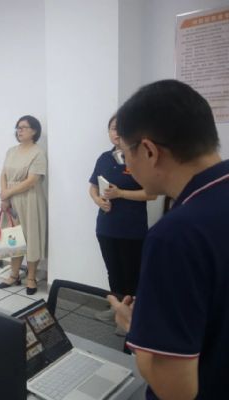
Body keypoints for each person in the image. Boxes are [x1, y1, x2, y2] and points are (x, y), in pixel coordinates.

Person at [108, 80, 229, 399]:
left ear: (149, 150)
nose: (127, 165)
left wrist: (136, 328)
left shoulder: (176, 235)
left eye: (125, 154)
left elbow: (175, 389)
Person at [89, 115, 156, 328]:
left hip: (132, 229)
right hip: (106, 227)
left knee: (132, 274)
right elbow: (93, 187)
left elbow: (152, 194)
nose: (116, 133)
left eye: (121, 128)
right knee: (113, 271)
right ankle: (116, 310)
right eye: (112, 128)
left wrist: (121, 194)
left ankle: (133, 317)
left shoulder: (141, 157)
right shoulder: (104, 158)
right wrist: (98, 200)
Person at [0, 115, 47, 295]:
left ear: (34, 131)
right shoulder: (11, 151)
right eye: (18, 127)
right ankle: (14, 274)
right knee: (13, 237)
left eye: (24, 127)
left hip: (30, 199)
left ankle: (31, 277)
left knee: (31, 238)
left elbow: (32, 180)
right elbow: (3, 174)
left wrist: (8, 193)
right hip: (11, 199)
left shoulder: (38, 152)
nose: (19, 130)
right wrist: (4, 197)